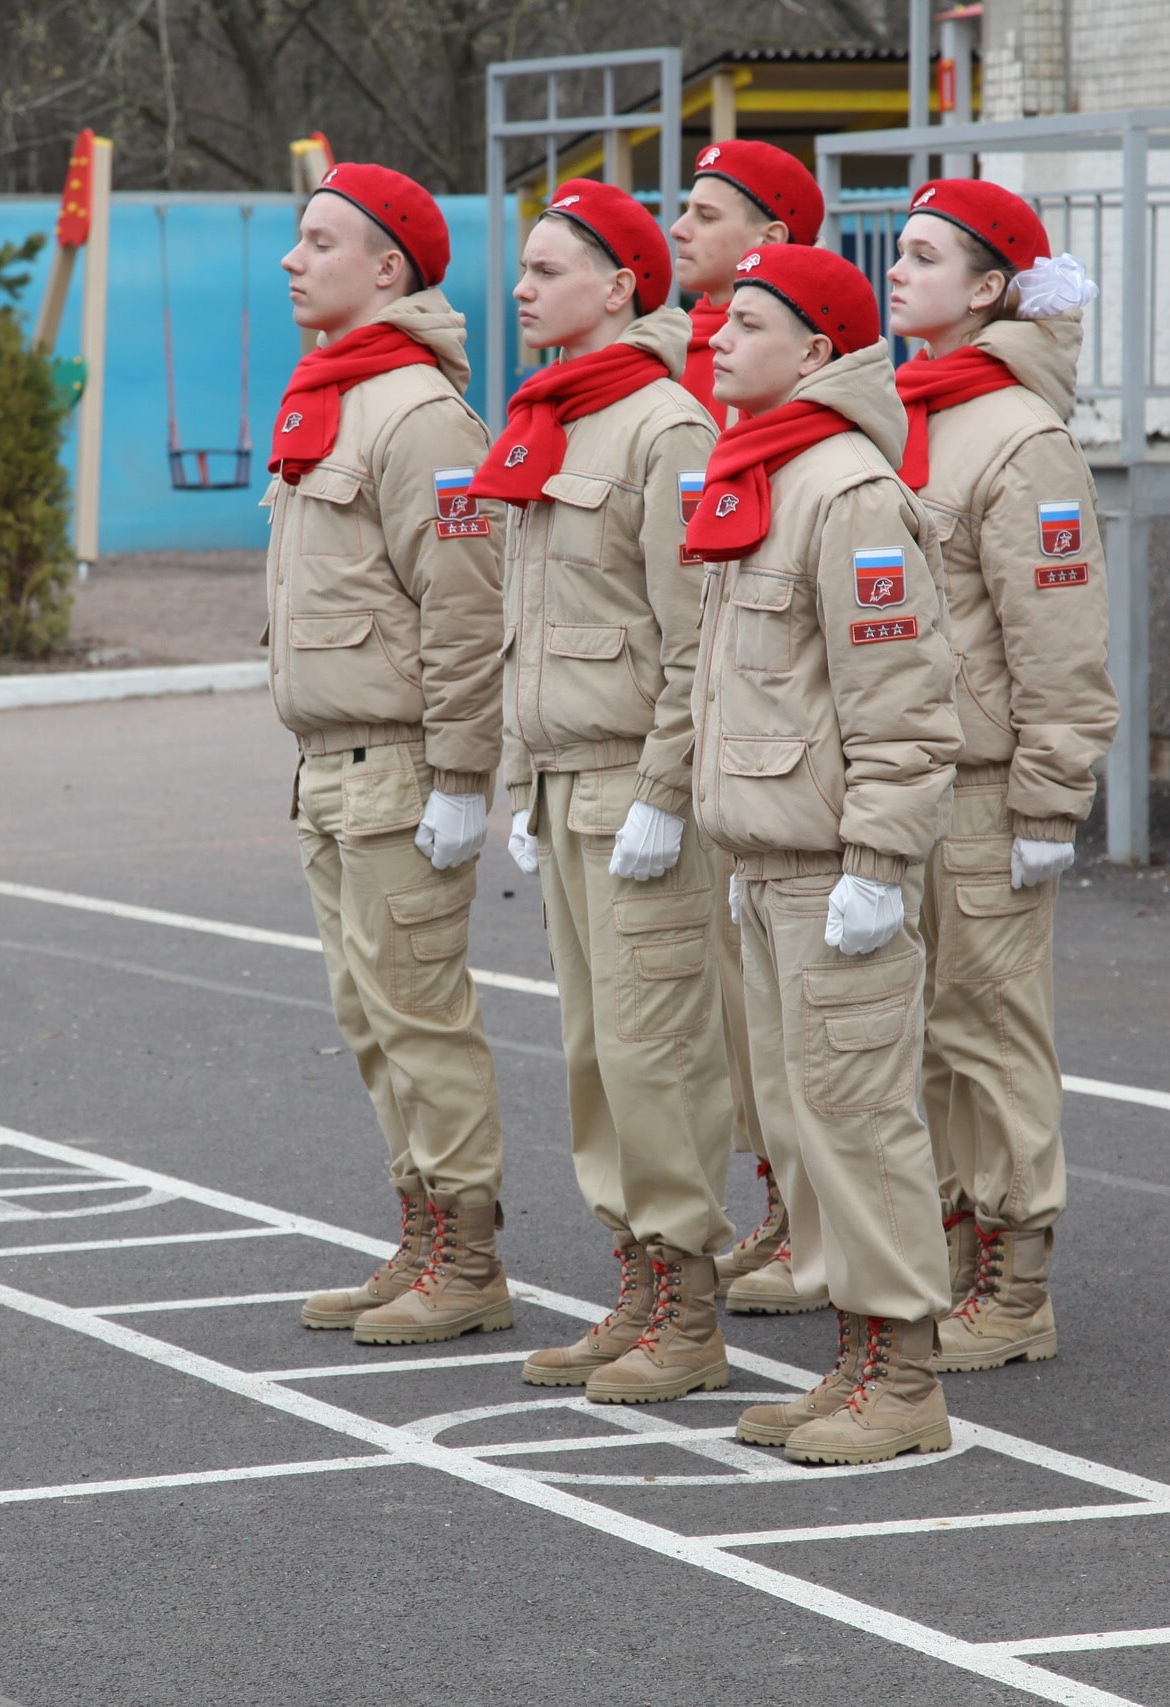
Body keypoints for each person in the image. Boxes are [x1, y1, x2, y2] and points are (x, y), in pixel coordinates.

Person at [685, 243, 965, 1465]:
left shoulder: (846, 492)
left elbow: (901, 699)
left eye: (747, 324)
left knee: (856, 1116)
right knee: (808, 1122)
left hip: (827, 871)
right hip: (764, 866)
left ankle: (902, 1377)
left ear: (815, 353)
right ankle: (856, 1360)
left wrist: (879, 863)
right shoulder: (764, 473)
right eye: (717, 320)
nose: (717, 340)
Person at [482, 180, 738, 1404]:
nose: (522, 290)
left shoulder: (662, 428)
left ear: (622, 287)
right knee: (595, 1058)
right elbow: (531, 632)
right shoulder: (550, 418)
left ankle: (688, 1307)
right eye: (523, 271)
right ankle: (634, 1280)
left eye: (546, 271)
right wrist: (521, 782)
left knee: (659, 1057)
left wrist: (666, 790)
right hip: (567, 790)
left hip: (640, 793)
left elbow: (695, 640)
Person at [271, 163, 512, 1347]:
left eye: (317, 239)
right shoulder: (332, 393)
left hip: (400, 767)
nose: (290, 258)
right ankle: (417, 1231)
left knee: (421, 1015)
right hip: (328, 765)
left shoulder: (417, 416)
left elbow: (465, 612)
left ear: (387, 268)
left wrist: (464, 778)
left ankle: (466, 1261)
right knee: (369, 1020)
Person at [886, 180, 1117, 1373]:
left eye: (925, 256)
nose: (896, 269)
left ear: (989, 290)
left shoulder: (1019, 435)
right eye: (897, 251)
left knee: (989, 1029)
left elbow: (1059, 642)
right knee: (922, 1038)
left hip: (981, 791)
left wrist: (1048, 797)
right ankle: (953, 1253)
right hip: (905, 785)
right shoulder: (904, 408)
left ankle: (1015, 1283)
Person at [663, 138, 832, 1319]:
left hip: (805, 758)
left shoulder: (796, 387)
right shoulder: (696, 361)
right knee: (743, 1022)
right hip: (726, 741)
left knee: (834, 1031)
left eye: (706, 209)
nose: (679, 223)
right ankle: (786, 1202)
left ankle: (863, 1235)